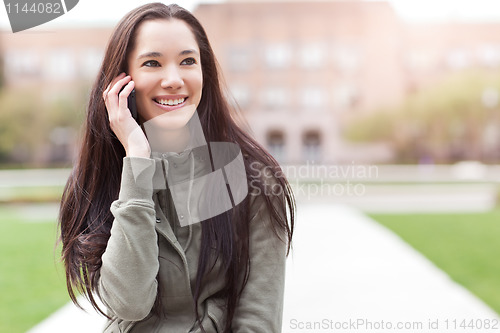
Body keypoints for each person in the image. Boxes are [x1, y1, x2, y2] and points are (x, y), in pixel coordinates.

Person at [58, 3, 295, 333]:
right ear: (122, 80)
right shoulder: (102, 176)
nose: (173, 79)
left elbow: (259, 320)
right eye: (152, 63)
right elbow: (130, 302)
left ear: (204, 73)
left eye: (188, 61)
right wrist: (138, 161)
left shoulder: (253, 178)